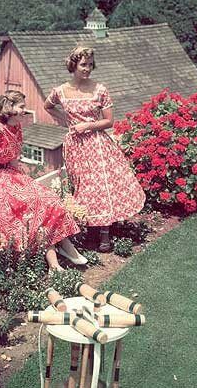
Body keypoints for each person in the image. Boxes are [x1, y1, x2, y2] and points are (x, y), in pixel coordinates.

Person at [0, 90, 87, 271]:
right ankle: (56, 258)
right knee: (28, 205)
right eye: (22, 106)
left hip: (8, 173)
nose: (25, 110)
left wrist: (26, 180)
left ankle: (62, 249)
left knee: (48, 198)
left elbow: (13, 156)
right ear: (10, 107)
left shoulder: (16, 126)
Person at [44, 46, 145, 252]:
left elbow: (109, 121)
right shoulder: (60, 91)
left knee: (100, 186)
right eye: (83, 64)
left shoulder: (100, 90)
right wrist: (67, 120)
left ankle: (105, 235)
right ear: (73, 65)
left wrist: (87, 125)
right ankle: (89, 230)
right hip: (74, 146)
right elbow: (48, 106)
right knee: (83, 187)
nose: (87, 69)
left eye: (90, 65)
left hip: (97, 144)